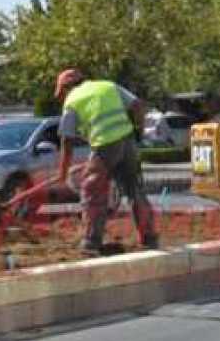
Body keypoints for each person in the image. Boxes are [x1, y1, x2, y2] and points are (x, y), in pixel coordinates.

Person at [55, 68, 158, 254]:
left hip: (105, 145)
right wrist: (138, 132)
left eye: (61, 93)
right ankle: (149, 237)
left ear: (65, 88)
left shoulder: (72, 102)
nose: (61, 97)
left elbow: (66, 140)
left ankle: (91, 241)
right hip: (128, 141)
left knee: (92, 191)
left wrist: (62, 172)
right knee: (135, 190)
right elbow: (138, 106)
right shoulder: (108, 86)